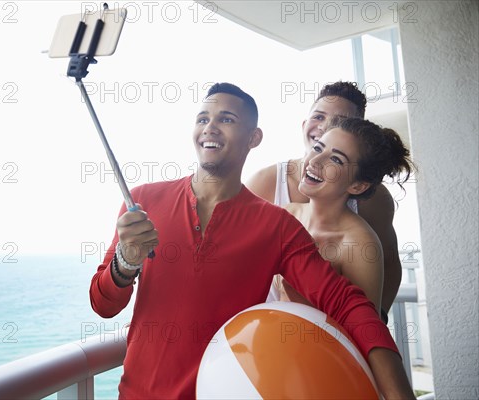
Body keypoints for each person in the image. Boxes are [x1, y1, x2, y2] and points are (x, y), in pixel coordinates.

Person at [89, 83, 414, 399]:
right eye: (203, 118)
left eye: (226, 119)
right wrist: (126, 261)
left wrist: (399, 393)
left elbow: (346, 303)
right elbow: (104, 305)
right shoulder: (143, 201)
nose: (211, 127)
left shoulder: (278, 226)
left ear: (253, 138)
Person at [247, 81, 403, 322]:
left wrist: (375, 329)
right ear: (304, 123)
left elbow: (389, 264)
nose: (323, 127)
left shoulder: (368, 218)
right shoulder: (272, 194)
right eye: (318, 116)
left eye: (337, 121)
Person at [270, 117, 414, 316]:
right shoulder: (285, 215)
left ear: (357, 186)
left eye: (336, 159)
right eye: (319, 148)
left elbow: (364, 332)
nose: (315, 161)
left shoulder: (359, 244)